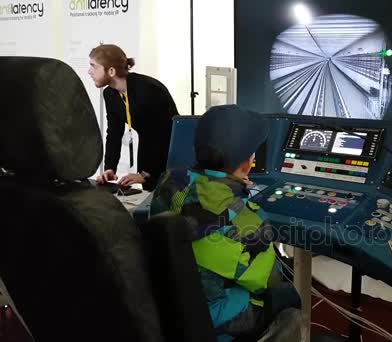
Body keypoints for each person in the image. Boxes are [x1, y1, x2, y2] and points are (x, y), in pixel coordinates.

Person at [150, 105, 302, 341]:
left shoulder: (168, 186)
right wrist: (237, 197)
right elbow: (266, 280)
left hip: (169, 311)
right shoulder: (248, 220)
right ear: (247, 163)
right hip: (215, 320)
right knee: (288, 300)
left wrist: (232, 188)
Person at [88, 44, 179, 190]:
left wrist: (146, 174)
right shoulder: (110, 94)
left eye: (94, 66)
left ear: (111, 71)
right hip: (148, 146)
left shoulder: (148, 89)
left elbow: (163, 134)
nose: (89, 71)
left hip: (170, 152)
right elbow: (113, 134)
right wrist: (110, 168)